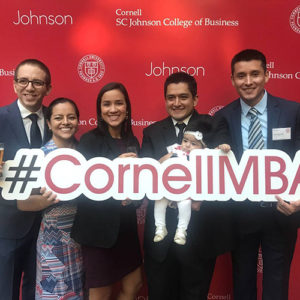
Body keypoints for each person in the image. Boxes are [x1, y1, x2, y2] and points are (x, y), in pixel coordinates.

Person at [141, 71, 235, 300]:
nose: (176, 103)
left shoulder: (213, 126)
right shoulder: (151, 132)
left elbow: (224, 174)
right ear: (165, 100)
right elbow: (144, 178)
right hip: (161, 236)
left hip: (200, 233)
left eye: (183, 97)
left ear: (196, 99)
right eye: (171, 97)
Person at [215, 49, 300, 300]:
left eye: (255, 74)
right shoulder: (223, 117)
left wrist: (299, 201)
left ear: (266, 75)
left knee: (277, 284)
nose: (248, 81)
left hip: (282, 211)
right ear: (232, 79)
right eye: (241, 76)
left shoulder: (293, 112)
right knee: (242, 283)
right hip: (241, 213)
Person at [71, 82, 143, 300]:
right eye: (107, 104)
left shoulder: (132, 140)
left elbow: (137, 185)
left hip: (126, 229)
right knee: (100, 293)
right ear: (100, 110)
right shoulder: (89, 140)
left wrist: (134, 198)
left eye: (119, 103)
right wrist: (113, 167)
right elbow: (82, 187)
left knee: (134, 284)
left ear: (127, 108)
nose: (113, 109)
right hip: (98, 231)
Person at [17, 98, 84, 299]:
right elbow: (23, 203)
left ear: (78, 121)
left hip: (82, 239)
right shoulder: (39, 157)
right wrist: (52, 198)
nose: (65, 122)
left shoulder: (85, 153)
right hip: (52, 242)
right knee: (52, 293)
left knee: (78, 292)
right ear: (48, 122)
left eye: (71, 117)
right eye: (58, 118)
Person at [0, 59, 52, 300]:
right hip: (8, 222)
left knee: (38, 291)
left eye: (37, 82)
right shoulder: (1, 117)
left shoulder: (58, 119)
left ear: (47, 88)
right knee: (6, 290)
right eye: (23, 81)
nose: (30, 87)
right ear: (14, 85)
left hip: (47, 224)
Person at [153, 119, 230, 245]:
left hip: (188, 190)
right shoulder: (176, 151)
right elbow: (159, 163)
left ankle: (182, 230)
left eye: (194, 144)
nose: (187, 145)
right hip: (171, 186)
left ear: (203, 147)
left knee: (185, 204)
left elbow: (217, 154)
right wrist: (168, 157)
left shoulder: (204, 155)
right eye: (185, 141)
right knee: (159, 199)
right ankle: (160, 227)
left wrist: (223, 147)